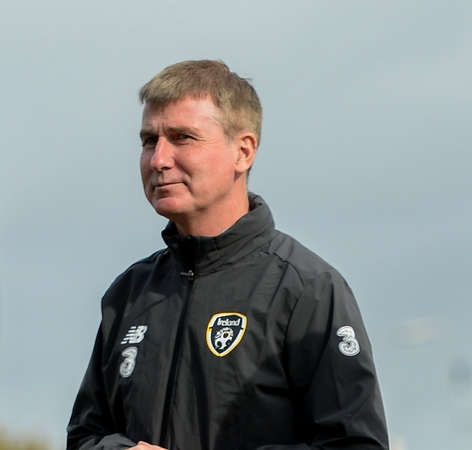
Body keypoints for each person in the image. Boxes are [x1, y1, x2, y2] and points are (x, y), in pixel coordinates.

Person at [67, 60, 389, 450]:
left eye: (183, 137)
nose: (158, 160)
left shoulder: (307, 290)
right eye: (149, 140)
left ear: (243, 151)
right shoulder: (129, 294)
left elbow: (355, 445)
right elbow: (84, 436)